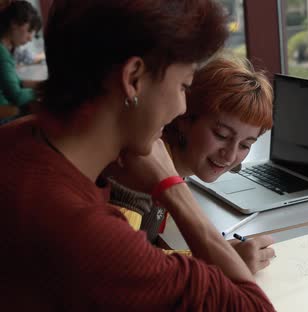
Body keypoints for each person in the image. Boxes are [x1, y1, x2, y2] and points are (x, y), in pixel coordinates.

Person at [0, 0, 275, 310]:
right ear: (133, 78)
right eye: (184, 86)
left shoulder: (17, 138)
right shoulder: (85, 231)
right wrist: (172, 186)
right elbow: (254, 307)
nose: (182, 108)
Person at [109, 54, 276, 274]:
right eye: (221, 134)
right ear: (185, 117)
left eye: (245, 145)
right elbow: (124, 268)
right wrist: (221, 259)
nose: (229, 155)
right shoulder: (141, 167)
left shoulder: (174, 164)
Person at [0, 0, 42, 117]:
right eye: (29, 31)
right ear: (14, 24)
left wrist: (43, 85)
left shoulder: (5, 51)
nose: (30, 38)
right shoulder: (2, 54)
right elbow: (17, 96)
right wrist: (41, 91)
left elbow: (17, 83)